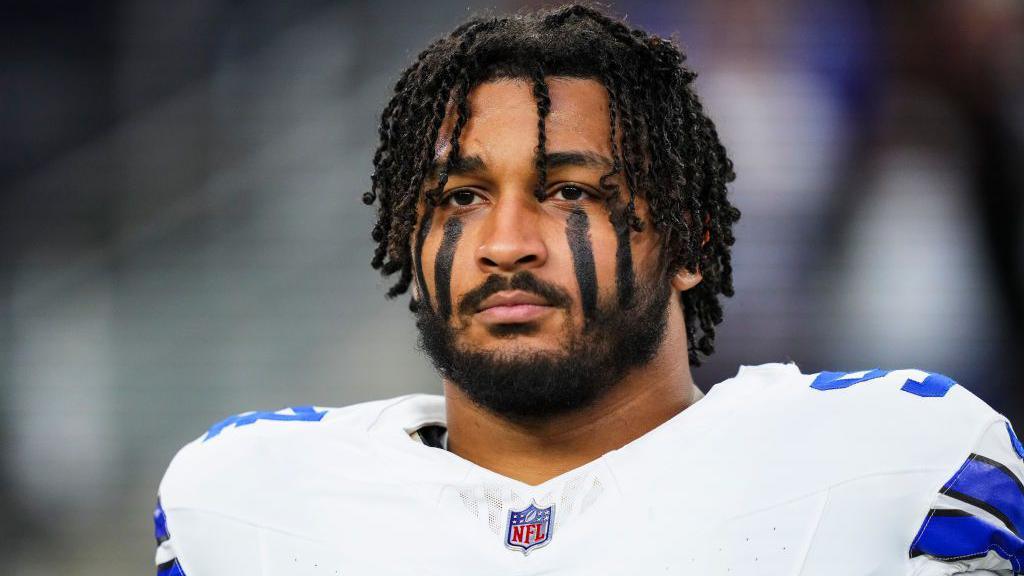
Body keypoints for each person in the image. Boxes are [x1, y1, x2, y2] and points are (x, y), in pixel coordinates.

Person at [152, 4, 1024, 574]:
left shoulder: (903, 467)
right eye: (461, 196)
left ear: (690, 242)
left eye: (570, 191)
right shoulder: (244, 499)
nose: (504, 246)